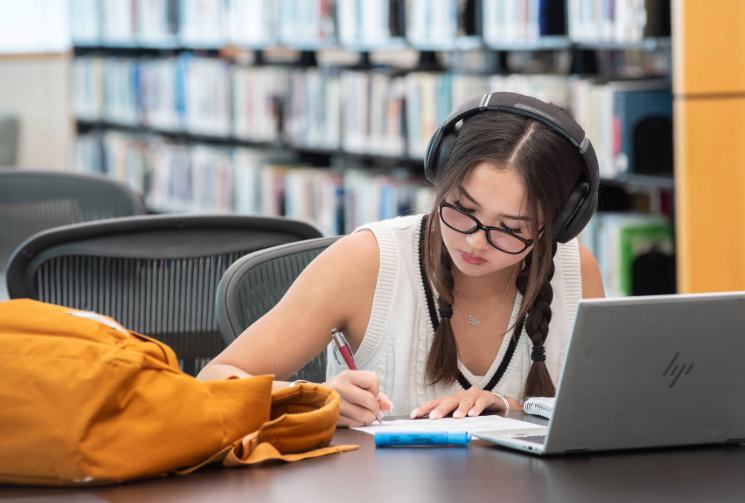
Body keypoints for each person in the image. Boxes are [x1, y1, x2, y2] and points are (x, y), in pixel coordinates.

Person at [198, 92, 605, 427]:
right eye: (462, 209)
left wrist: (510, 407)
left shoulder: (575, 270)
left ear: (559, 222)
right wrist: (309, 399)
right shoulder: (367, 261)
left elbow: (601, 412)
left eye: (512, 228)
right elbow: (211, 382)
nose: (476, 242)